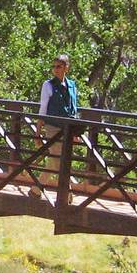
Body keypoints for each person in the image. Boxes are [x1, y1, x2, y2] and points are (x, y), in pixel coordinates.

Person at [35, 55, 79, 194]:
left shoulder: (72, 85)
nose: (55, 69)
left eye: (59, 66)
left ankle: (36, 189)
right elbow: (43, 108)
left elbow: (74, 109)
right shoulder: (48, 85)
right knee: (57, 160)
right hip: (53, 127)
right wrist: (38, 132)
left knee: (56, 162)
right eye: (54, 67)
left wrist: (76, 132)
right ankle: (67, 192)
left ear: (67, 67)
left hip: (68, 129)